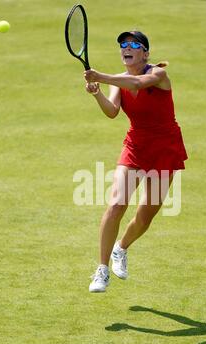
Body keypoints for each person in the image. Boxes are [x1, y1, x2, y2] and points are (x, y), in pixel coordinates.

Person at [84, 31, 188, 293]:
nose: (126, 48)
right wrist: (98, 93)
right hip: (136, 145)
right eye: (122, 44)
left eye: (133, 44)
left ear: (145, 53)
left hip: (165, 147)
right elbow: (112, 112)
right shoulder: (118, 81)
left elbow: (137, 84)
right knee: (117, 203)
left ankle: (122, 248)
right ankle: (102, 269)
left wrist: (101, 76)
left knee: (146, 214)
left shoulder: (158, 75)